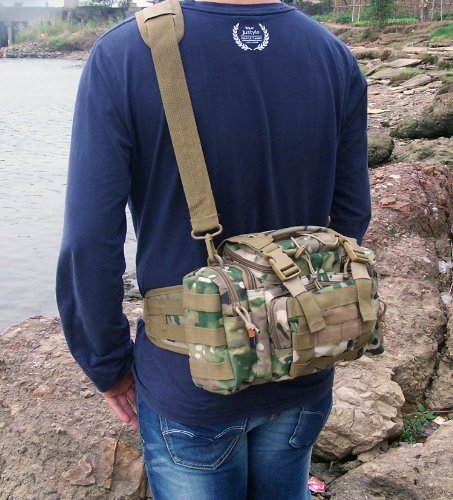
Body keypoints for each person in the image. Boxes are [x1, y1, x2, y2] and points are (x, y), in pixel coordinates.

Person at [56, 0, 370, 498]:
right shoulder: (331, 54)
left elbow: (89, 240)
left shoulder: (126, 53)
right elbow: (350, 220)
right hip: (303, 365)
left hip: (186, 382)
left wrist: (106, 364)